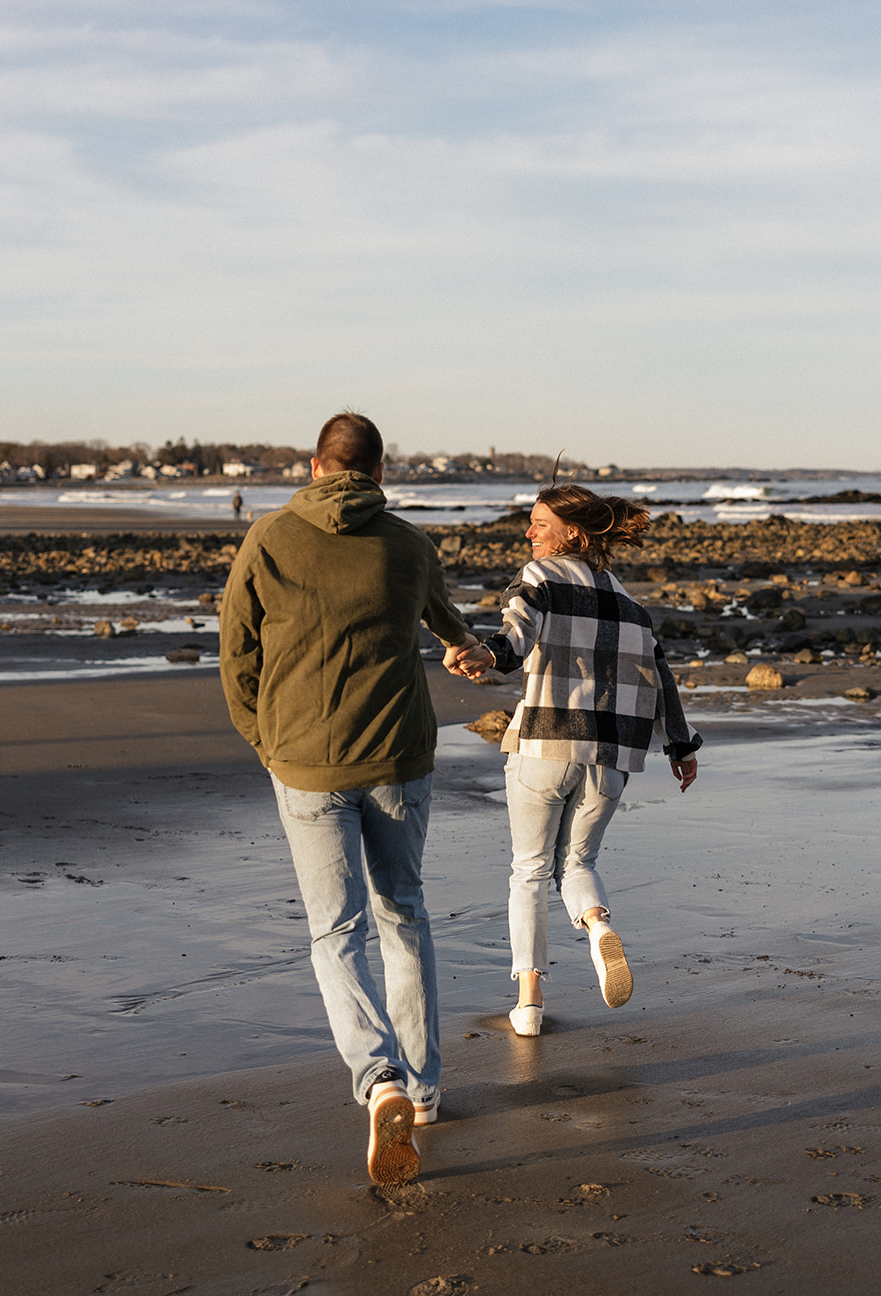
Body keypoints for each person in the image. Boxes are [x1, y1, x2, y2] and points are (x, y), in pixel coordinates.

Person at [219, 412, 477, 1183]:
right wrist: (466, 649)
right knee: (404, 913)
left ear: (313, 465)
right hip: (398, 756)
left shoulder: (267, 537)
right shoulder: (407, 543)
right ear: (378, 471)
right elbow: (450, 628)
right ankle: (423, 1089)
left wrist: (268, 745)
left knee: (336, 933)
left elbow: (236, 653)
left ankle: (379, 1079)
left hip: (305, 763)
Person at [450, 483, 701, 1035]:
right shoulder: (630, 601)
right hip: (611, 758)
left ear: (573, 532)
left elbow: (515, 635)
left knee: (530, 871)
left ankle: (530, 1002)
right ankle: (597, 927)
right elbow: (661, 679)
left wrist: (487, 655)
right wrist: (680, 746)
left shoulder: (540, 577)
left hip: (546, 745)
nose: (529, 532)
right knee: (579, 864)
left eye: (540, 523)